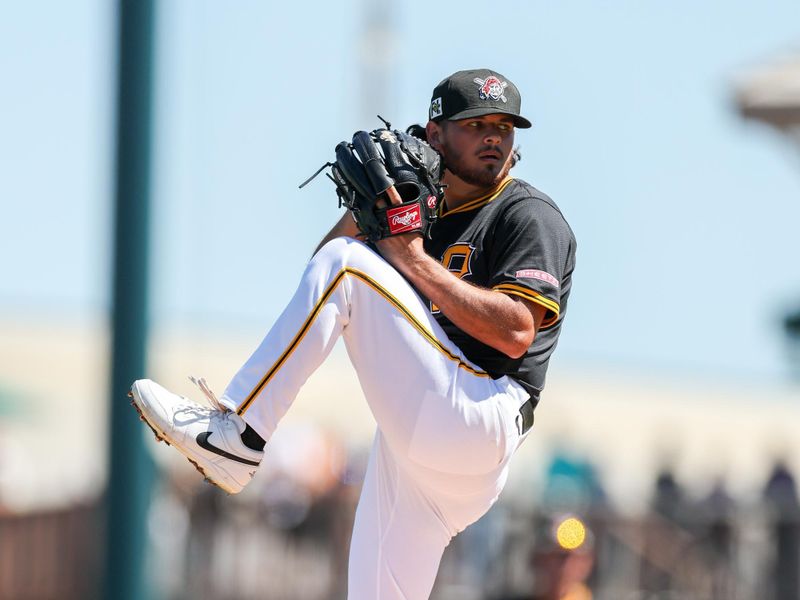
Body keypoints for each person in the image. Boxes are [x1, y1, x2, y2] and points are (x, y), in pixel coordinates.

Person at [130, 68, 577, 599]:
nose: (493, 138)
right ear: (434, 135)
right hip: (420, 446)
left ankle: (238, 436)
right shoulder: (424, 205)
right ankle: (238, 436)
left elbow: (517, 331)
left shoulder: (527, 214)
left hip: (482, 414)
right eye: (476, 123)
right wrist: (369, 210)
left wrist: (409, 257)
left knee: (348, 268)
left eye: (504, 126)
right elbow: (319, 272)